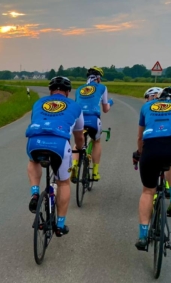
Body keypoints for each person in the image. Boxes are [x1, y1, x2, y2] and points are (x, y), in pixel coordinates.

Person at [132, 87, 171, 250]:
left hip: (151, 149)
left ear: (159, 99)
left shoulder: (146, 107)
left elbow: (140, 137)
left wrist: (140, 154)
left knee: (148, 191)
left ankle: (143, 236)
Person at [26, 76, 84, 236]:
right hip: (59, 145)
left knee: (33, 160)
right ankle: (60, 225)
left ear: (51, 90)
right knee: (64, 183)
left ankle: (35, 193)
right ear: (68, 92)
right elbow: (79, 137)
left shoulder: (38, 103)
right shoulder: (75, 106)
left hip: (34, 142)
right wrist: (80, 149)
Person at [72, 66, 113, 182]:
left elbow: (75, 106)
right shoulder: (102, 87)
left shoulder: (79, 89)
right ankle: (95, 172)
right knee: (97, 142)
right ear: (98, 78)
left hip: (78, 119)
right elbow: (105, 109)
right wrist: (110, 102)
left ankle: (74, 165)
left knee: (78, 142)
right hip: (93, 119)